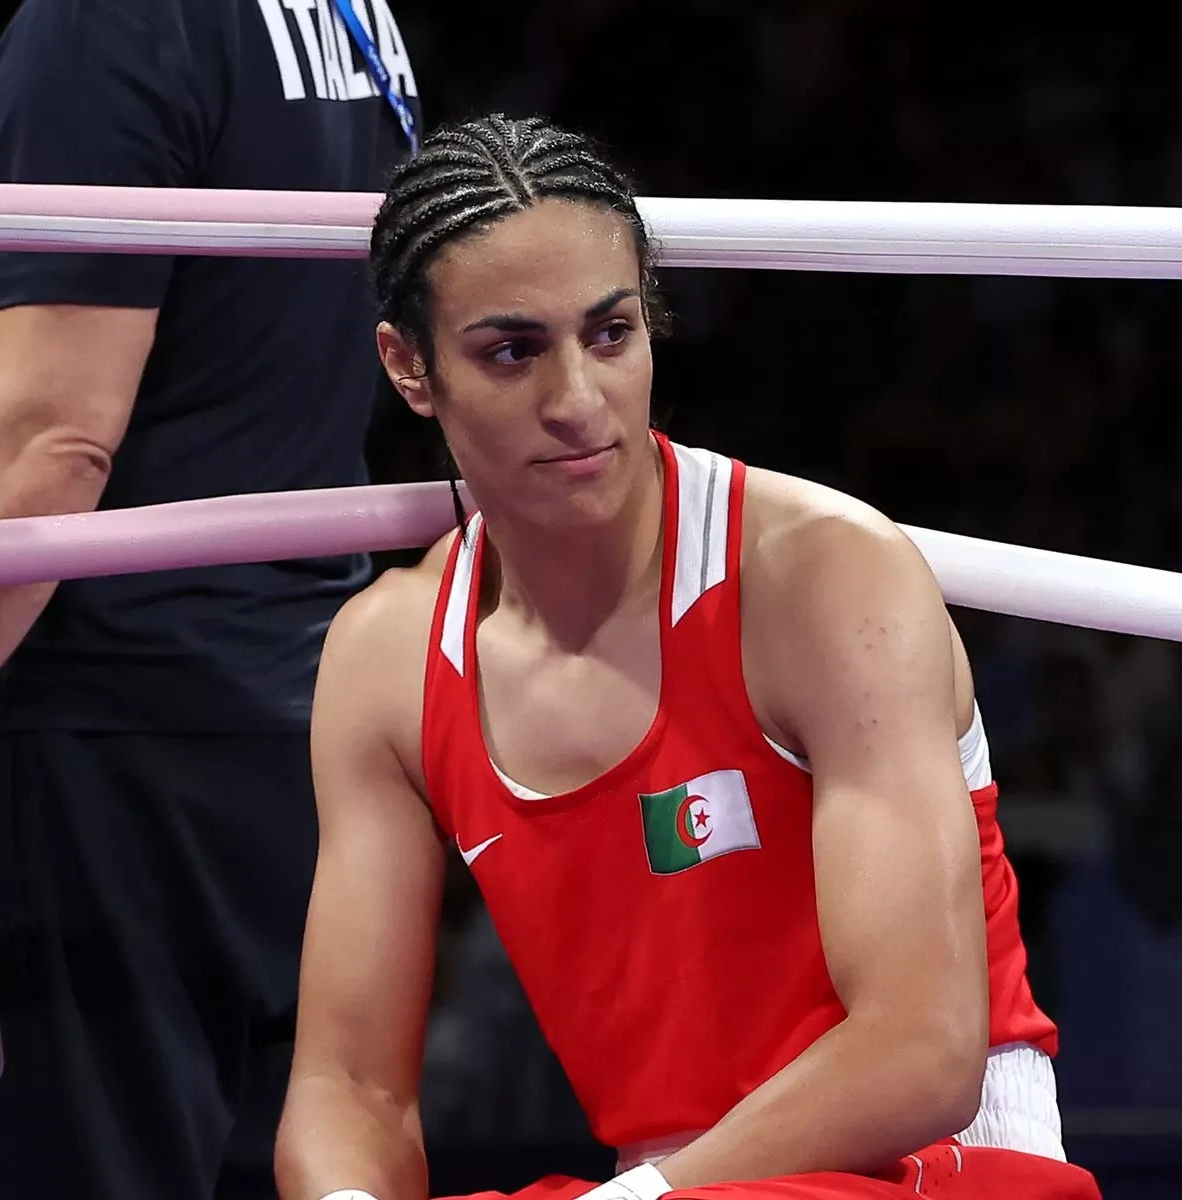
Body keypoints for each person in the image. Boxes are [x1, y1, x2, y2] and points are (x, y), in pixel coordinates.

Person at [275, 114, 1103, 1200]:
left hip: (935, 1164)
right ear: (410, 368)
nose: (577, 401)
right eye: (513, 351)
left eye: (610, 334)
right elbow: (348, 1087)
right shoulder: (386, 658)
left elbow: (920, 1050)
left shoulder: (822, 578)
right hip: (675, 1186)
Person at [0, 1, 419, 1197]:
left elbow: (49, 443)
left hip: (108, 722)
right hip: (295, 712)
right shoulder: (337, 12)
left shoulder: (112, 19)